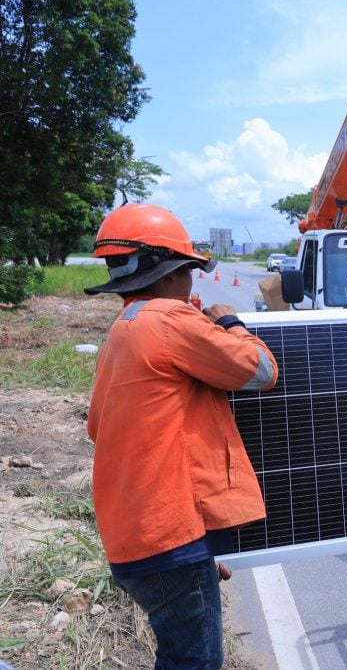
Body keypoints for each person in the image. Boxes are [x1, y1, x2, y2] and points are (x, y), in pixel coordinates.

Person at [85, 203, 279, 669]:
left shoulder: (123, 329)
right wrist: (230, 323)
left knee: (182, 656)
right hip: (167, 542)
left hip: (140, 535)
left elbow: (100, 427)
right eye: (189, 270)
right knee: (194, 663)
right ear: (170, 273)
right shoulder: (170, 319)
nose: (193, 282)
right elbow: (261, 371)